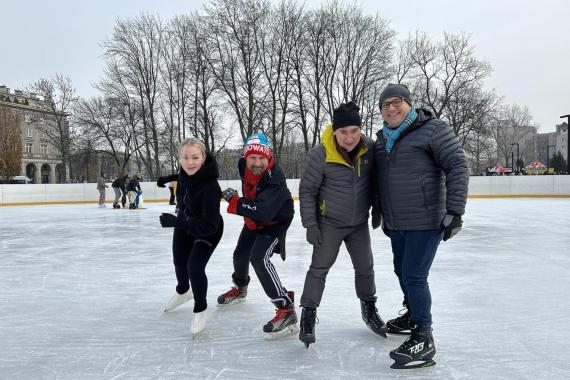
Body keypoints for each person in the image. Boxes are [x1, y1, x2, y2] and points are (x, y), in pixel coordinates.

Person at [373, 83, 469, 369]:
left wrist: (455, 211)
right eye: (385, 105)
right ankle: (413, 315)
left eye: (396, 102)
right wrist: (383, 215)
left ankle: (423, 336)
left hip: (426, 220)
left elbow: (457, 166)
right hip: (397, 221)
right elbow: (380, 181)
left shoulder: (433, 130)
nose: (391, 108)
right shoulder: (380, 140)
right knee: (401, 271)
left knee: (414, 276)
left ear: (409, 103)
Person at [297, 101, 387, 349]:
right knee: (319, 268)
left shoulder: (369, 148)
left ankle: (368, 308)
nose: (349, 137)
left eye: (354, 131)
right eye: (344, 132)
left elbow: (377, 182)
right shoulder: (321, 153)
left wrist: (377, 209)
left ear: (361, 130)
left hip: (358, 223)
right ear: (334, 132)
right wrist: (310, 224)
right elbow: (307, 191)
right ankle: (308, 314)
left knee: (365, 267)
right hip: (330, 223)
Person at [218, 132, 298, 338]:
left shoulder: (275, 176)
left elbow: (263, 212)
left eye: (262, 158)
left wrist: (235, 200)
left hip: (275, 221)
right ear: (245, 157)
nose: (258, 162)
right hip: (254, 218)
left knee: (259, 258)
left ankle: (286, 308)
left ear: (268, 157)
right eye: (253, 157)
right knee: (240, 254)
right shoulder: (242, 166)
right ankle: (240, 287)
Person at [157, 137, 224, 337]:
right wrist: (168, 178)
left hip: (209, 229)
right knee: (179, 262)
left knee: (194, 266)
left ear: (203, 157)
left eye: (195, 157)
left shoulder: (211, 187)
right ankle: (183, 290)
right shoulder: (185, 173)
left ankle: (200, 309)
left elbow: (208, 225)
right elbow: (183, 177)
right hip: (185, 222)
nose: (190, 162)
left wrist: (177, 222)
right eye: (185, 157)